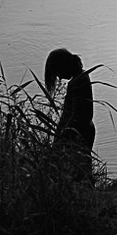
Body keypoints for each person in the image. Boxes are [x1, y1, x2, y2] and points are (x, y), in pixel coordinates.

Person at [44, 48, 95, 179]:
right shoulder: (82, 77)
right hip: (85, 130)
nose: (59, 78)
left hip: (78, 133)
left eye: (57, 72)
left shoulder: (76, 82)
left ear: (63, 66)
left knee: (78, 171)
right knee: (82, 169)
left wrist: (61, 137)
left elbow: (74, 115)